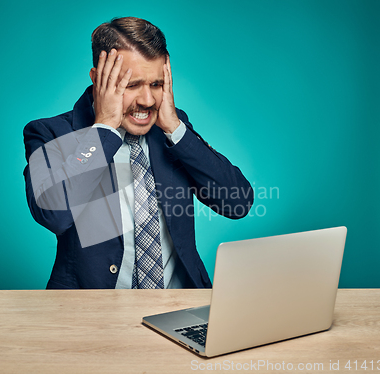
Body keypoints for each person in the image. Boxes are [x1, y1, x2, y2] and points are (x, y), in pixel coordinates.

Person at [23, 17, 253, 289]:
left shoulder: (173, 130)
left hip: (180, 307)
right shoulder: (51, 133)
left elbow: (237, 202)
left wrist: (176, 129)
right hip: (92, 316)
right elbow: (54, 215)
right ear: (98, 79)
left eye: (156, 85)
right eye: (131, 85)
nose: (146, 101)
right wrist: (104, 129)